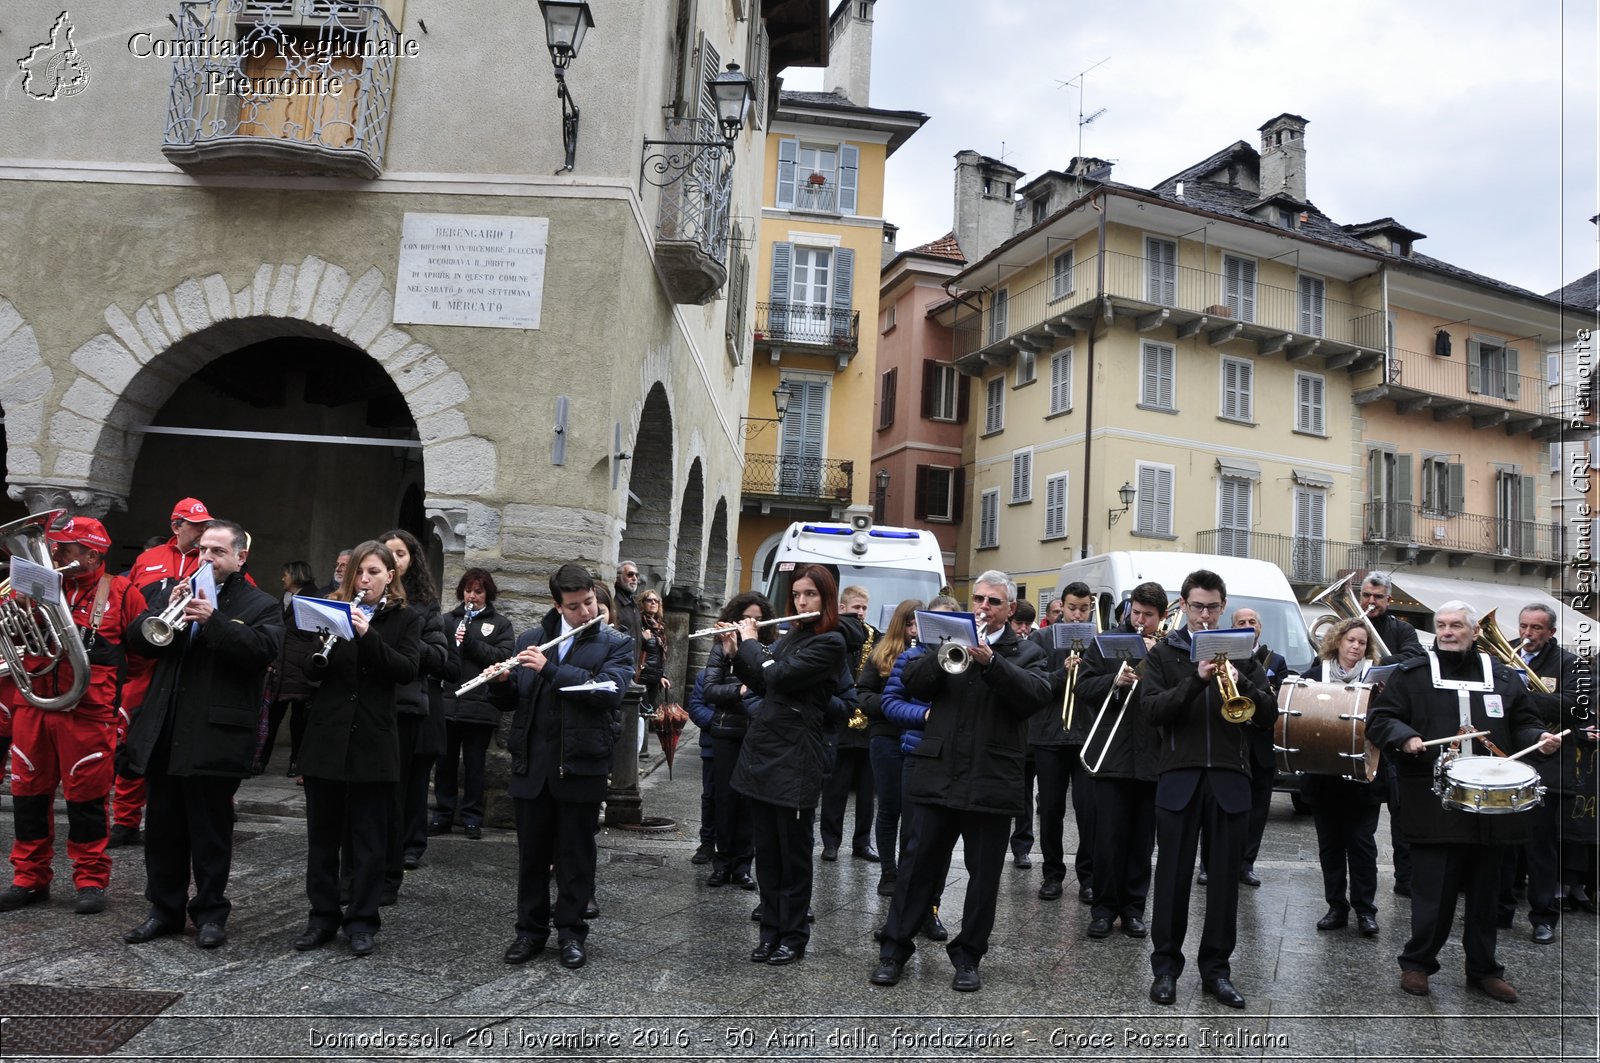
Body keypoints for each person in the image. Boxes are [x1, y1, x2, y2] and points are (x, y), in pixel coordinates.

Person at [1366, 600, 1562, 1003]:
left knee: (1488, 893)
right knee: (1433, 893)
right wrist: (1405, 735)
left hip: (1493, 806)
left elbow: (1523, 723)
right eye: (1441, 625)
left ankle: (1484, 969)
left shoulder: (1503, 677)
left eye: (1456, 625)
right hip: (1434, 801)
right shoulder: (1412, 675)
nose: (1447, 632)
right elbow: (1381, 718)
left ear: (1474, 631)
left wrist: (1539, 742)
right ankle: (1417, 964)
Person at [870, 571, 1052, 993]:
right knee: (917, 866)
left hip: (992, 777)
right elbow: (912, 683)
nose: (983, 608)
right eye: (979, 600)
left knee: (983, 876)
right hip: (939, 770)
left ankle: (968, 956)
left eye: (993, 602)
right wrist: (939, 654)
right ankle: (893, 950)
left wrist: (993, 663)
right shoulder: (943, 639)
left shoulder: (1026, 651)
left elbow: (1034, 698)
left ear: (1010, 608)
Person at [120, 519, 282, 948]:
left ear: (240, 558)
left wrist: (214, 621)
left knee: (210, 833)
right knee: (163, 829)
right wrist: (162, 609)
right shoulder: (174, 588)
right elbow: (138, 640)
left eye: (217, 552)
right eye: (202, 550)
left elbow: (262, 652)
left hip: (215, 734)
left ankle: (211, 913)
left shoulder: (261, 604)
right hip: (167, 728)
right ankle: (164, 910)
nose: (206, 558)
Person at [1142, 569, 1279, 1009]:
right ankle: (1165, 969)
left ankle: (1217, 972)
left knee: (1223, 884)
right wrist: (1196, 680)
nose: (1205, 614)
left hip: (1229, 780)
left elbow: (1268, 714)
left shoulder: (1242, 651)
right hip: (1179, 779)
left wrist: (1245, 685)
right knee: (1172, 880)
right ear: (1183, 606)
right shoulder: (1165, 654)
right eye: (1197, 606)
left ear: (1223, 607)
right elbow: (1152, 711)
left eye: (1213, 607)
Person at [0, 516, 147, 917]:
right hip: (33, 705)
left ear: (91, 553)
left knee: (87, 800)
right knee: (27, 794)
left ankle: (91, 880)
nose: (54, 554)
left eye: (63, 548)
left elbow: (138, 660)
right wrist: (20, 609)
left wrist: (112, 700)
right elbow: (9, 634)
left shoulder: (122, 592)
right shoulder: (32, 584)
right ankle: (28, 878)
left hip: (88, 712)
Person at [499, 563, 634, 970]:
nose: (586, 613)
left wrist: (551, 669)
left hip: (580, 764)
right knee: (532, 859)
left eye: (589, 602)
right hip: (533, 767)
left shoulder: (615, 642)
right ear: (557, 605)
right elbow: (516, 702)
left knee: (576, 858)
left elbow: (608, 691)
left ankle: (572, 934)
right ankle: (529, 932)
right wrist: (501, 683)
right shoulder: (531, 639)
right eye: (574, 606)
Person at [293, 540, 421, 957]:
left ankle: (363, 922)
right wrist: (319, 651)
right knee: (323, 839)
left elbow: (405, 670)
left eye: (373, 573)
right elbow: (308, 668)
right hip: (327, 738)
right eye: (358, 574)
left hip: (372, 740)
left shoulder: (405, 619)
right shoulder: (331, 611)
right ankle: (321, 917)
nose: (364, 580)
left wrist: (367, 636)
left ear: (390, 576)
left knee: (368, 842)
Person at [727, 565, 848, 966]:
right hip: (765, 752)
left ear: (825, 598)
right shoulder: (792, 636)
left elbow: (778, 675)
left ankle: (793, 936)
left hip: (796, 755)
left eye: (810, 594)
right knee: (768, 853)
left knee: (793, 856)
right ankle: (770, 932)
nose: (801, 602)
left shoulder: (830, 642)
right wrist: (736, 652)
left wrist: (751, 644)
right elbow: (763, 683)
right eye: (796, 595)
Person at [109, 501, 209, 849]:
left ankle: (179, 820)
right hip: (145, 662)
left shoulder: (212, 560)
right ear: (176, 526)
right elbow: (128, 603)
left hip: (185, 664)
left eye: (204, 524)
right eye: (195, 525)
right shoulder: (147, 559)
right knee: (132, 740)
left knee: (186, 741)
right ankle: (124, 820)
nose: (201, 531)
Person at [1076, 581, 1166, 940]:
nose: (1140, 621)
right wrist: (1114, 681)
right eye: (1136, 613)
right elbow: (1083, 687)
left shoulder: (1166, 648)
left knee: (1142, 841)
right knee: (1107, 837)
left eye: (1148, 615)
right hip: (1110, 756)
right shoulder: (1106, 642)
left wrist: (1152, 662)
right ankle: (1102, 909)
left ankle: (1133, 909)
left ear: (1160, 617)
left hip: (1149, 757)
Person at [1496, 604, 1585, 945]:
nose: (1528, 634)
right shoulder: (1504, 657)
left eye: (1536, 628)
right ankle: (1501, 910)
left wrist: (1523, 697)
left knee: (1540, 848)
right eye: (1523, 626)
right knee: (1503, 843)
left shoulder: (1569, 664)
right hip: (1509, 757)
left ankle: (1544, 917)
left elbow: (1574, 707)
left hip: (1548, 766)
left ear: (1551, 632)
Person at [380, 529, 457, 884]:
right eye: (388, 553)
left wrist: (406, 639)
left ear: (413, 560)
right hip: (376, 704)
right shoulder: (369, 601)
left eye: (401, 553)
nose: (394, 559)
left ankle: (410, 844)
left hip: (412, 704)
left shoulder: (425, 605)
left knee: (410, 784)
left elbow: (440, 657)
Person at [1299, 618, 1384, 938]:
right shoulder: (1315, 673)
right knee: (1330, 846)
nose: (1356, 647)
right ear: (1337, 641)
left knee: (1362, 845)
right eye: (1351, 640)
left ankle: (1365, 910)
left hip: (1362, 777)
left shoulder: (1376, 677)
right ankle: (1336, 906)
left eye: (1361, 643)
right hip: (1324, 775)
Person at [695, 592, 774, 890]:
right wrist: (739, 691)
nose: (750, 622)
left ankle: (743, 865)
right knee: (724, 800)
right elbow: (710, 691)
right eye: (745, 618)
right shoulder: (720, 649)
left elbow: (769, 687)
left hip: (757, 734)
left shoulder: (770, 648)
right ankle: (722, 862)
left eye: (757, 618)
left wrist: (745, 666)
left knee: (749, 802)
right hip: (726, 732)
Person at [1027, 581, 1096, 903]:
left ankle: (1088, 878)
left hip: (1085, 735)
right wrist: (1061, 672)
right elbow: (1034, 686)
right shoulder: (1041, 638)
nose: (1077, 615)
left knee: (1087, 810)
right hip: (1048, 735)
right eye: (1072, 608)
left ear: (1091, 608)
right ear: (1061, 607)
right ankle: (1052, 875)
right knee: (1051, 809)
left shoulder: (1098, 640)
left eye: (1083, 609)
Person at [434, 568, 514, 839]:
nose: (472, 596)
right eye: (468, 591)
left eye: (478, 592)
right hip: (448, 704)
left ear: (486, 594)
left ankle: (472, 818)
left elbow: (501, 657)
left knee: (475, 765)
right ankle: (443, 815)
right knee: (444, 764)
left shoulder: (500, 624)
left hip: (480, 705)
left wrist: (471, 641)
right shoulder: (447, 621)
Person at [857, 598, 922, 898]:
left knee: (912, 809)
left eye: (917, 623)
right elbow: (863, 694)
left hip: (917, 736)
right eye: (909, 624)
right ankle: (888, 871)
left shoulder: (929, 652)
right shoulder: (882, 652)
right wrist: (891, 706)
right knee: (889, 808)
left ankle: (908, 870)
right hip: (885, 736)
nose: (913, 630)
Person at [1229, 606, 1287, 888]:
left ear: (1259, 627)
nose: (1248, 625)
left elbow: (1283, 694)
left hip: (1261, 743)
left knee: (1257, 810)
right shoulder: (1226, 657)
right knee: (1224, 808)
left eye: (1252, 621)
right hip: (1232, 741)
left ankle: (1246, 864)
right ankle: (1209, 863)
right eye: (1241, 621)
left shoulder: (1275, 659)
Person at [821, 585, 878, 863]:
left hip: (868, 726)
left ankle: (863, 842)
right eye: (856, 607)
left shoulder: (874, 637)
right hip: (841, 723)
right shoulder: (833, 638)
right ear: (842, 608)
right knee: (835, 788)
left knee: (868, 793)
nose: (861, 613)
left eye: (865, 608)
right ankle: (831, 842)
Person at [257, 561, 320, 776]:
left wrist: (308, 663)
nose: (282, 578)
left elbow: (314, 637)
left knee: (299, 720)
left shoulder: (313, 599)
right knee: (272, 717)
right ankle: (261, 760)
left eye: (285, 574)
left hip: (301, 669)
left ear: (295, 575)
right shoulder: (282, 599)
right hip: (280, 668)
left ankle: (297, 762)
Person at [1359, 574, 1424, 664]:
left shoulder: (1403, 629)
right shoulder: (1347, 627)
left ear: (1388, 600)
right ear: (1360, 596)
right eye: (1366, 595)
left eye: (1378, 596)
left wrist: (1374, 663)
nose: (1371, 601)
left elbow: (1414, 656)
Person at [637, 590, 671, 725]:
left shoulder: (659, 627)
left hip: (654, 678)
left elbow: (660, 654)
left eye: (656, 601)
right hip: (642, 676)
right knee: (641, 715)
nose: (653, 603)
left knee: (648, 715)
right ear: (642, 603)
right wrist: (642, 638)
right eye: (649, 600)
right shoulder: (638, 622)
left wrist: (663, 675)